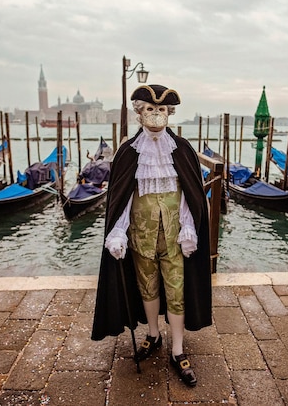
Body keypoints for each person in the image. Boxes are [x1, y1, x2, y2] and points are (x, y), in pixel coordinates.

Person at [91, 84, 212, 387]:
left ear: (169, 113)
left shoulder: (182, 150)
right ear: (139, 112)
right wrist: (117, 232)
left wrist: (188, 227)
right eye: (150, 109)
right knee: (147, 287)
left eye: (161, 110)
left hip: (174, 238)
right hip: (140, 239)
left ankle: (178, 349)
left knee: (177, 291)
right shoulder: (128, 152)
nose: (156, 115)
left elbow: (190, 193)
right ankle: (153, 335)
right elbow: (122, 197)